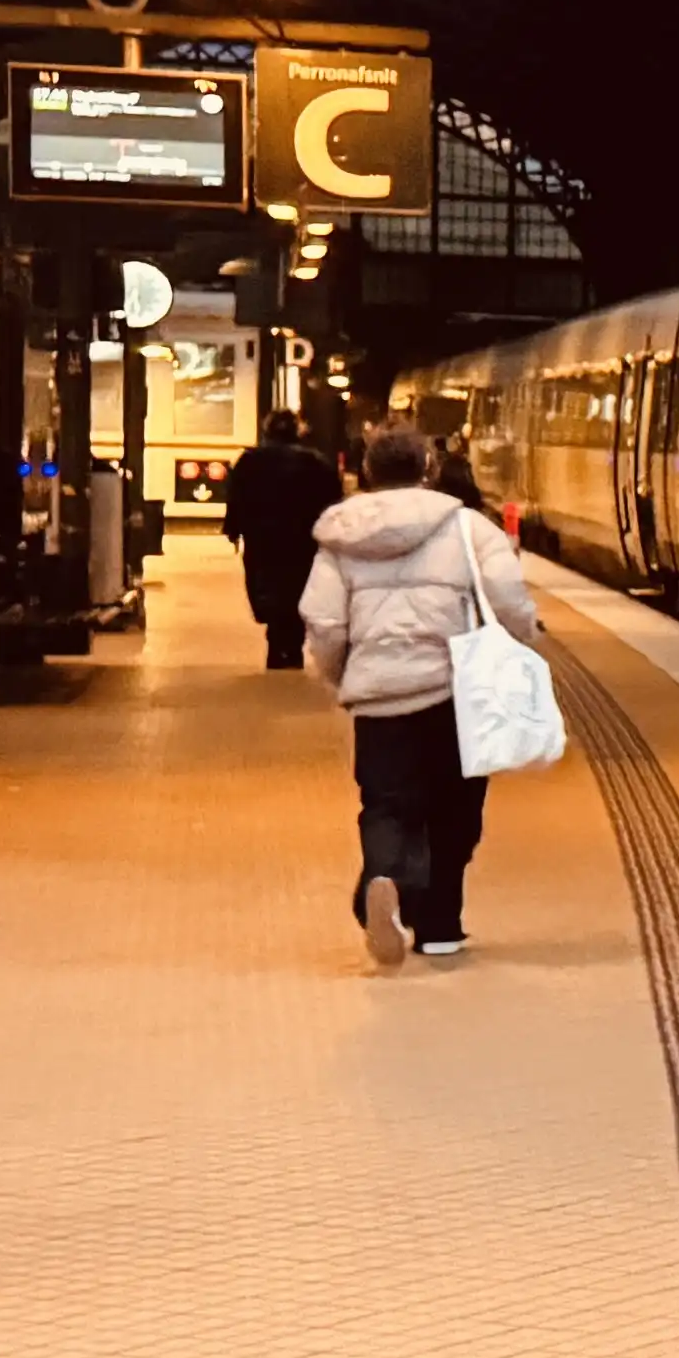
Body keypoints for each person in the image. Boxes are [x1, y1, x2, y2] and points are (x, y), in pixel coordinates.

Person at [301, 424, 524, 968]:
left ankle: (384, 877)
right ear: (430, 469)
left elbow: (325, 622)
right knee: (455, 810)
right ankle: (440, 927)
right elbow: (510, 601)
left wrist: (342, 677)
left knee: (386, 805)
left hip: (380, 697)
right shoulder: (470, 528)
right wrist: (518, 644)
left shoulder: (340, 536)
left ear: (366, 472)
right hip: (457, 694)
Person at [216, 406, 344, 671]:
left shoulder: (250, 461)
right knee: (296, 589)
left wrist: (233, 529)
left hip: (262, 538)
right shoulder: (316, 462)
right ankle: (292, 644)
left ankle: (276, 641)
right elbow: (332, 502)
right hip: (302, 540)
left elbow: (236, 497)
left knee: (268, 588)